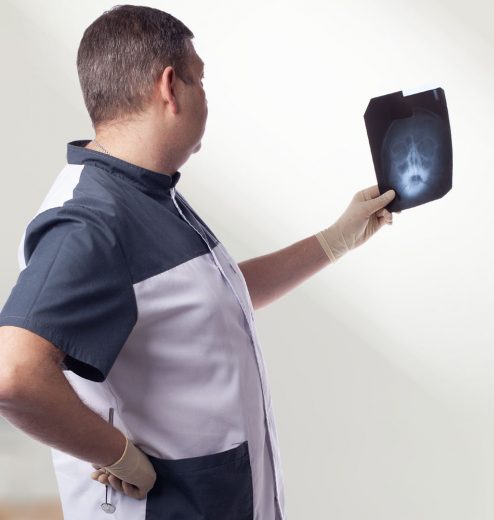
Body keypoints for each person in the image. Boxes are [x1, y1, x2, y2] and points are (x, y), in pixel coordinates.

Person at [0, 5, 395, 520]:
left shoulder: (147, 193)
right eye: (200, 80)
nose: (205, 96)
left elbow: (205, 298)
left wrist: (335, 240)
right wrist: (116, 453)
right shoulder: (91, 220)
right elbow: (14, 374)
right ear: (170, 87)